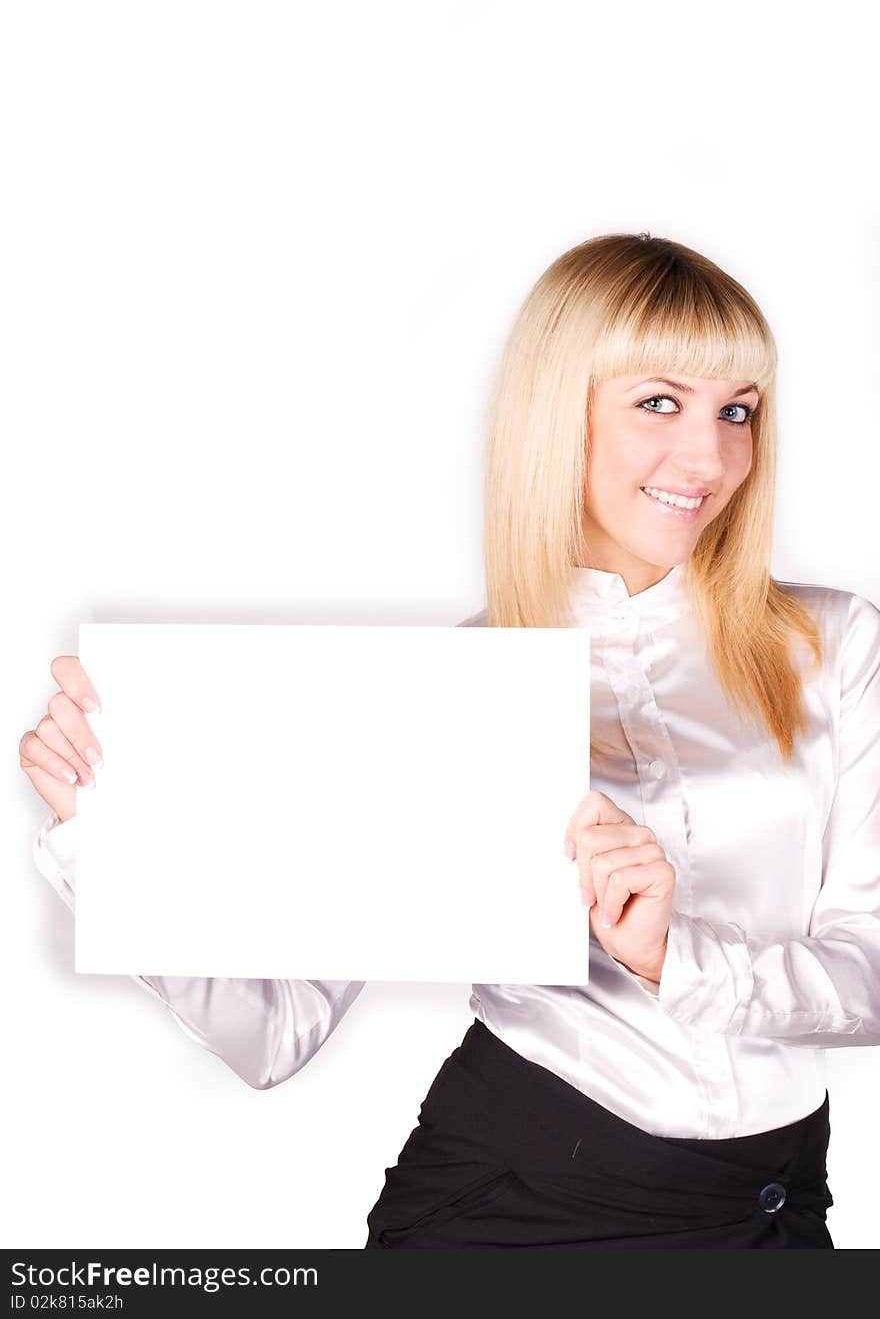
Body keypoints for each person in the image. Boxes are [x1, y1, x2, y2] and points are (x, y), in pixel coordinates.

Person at [23, 233, 880, 1249]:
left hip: (775, 1206)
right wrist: (106, 842)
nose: (709, 457)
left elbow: (865, 975)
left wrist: (667, 955)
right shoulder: (449, 691)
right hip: (513, 1206)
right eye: (660, 401)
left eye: (736, 410)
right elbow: (274, 1031)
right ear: (558, 413)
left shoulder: (830, 644)